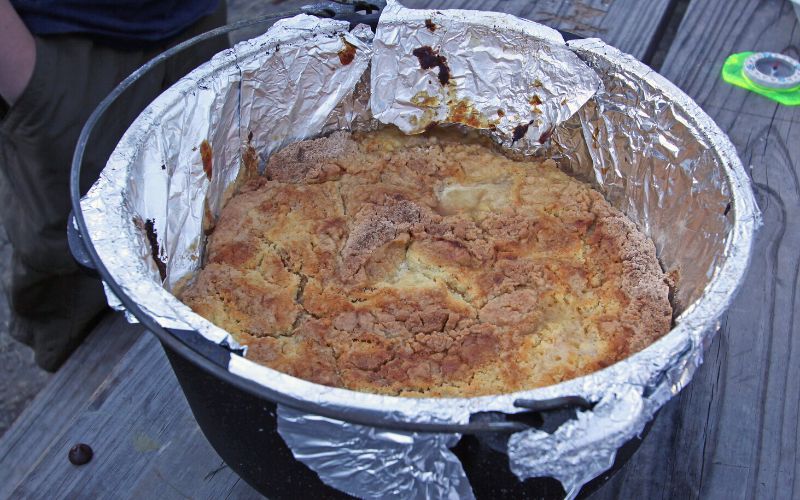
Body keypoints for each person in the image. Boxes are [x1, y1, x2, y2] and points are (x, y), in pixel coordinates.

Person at [0, 0, 228, 371]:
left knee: (206, 198)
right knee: (77, 248)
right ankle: (81, 392)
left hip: (196, 18)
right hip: (63, 45)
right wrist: (29, 80)